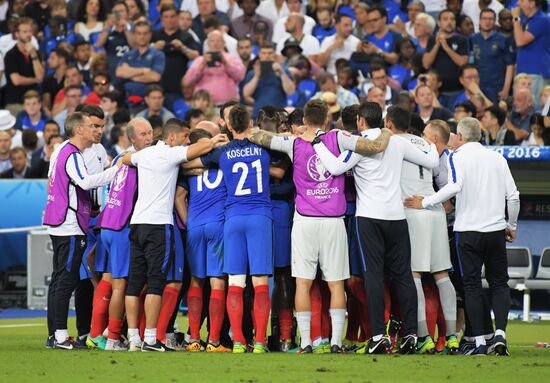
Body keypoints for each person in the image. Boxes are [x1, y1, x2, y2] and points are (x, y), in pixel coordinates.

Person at [248, 100, 392, 352]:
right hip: (333, 222)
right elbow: (375, 146)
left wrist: (284, 133)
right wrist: (388, 130)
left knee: (303, 284)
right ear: (326, 119)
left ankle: (305, 342)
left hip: (304, 222)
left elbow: (258, 137)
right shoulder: (338, 138)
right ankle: (335, 342)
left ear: (304, 121)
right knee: (336, 284)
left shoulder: (293, 142)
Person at [309, 104, 440, 354]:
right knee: (402, 276)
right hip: (397, 218)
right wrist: (432, 144)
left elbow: (335, 168)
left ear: (360, 121)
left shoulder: (358, 143)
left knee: (373, 277)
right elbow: (432, 161)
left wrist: (317, 144)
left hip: (369, 218)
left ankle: (379, 335)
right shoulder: (397, 142)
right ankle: (411, 334)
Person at [405, 117, 520, 356]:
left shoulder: (458, 157)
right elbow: (514, 197)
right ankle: (500, 335)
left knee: (471, 285)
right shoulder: (498, 157)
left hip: (468, 232)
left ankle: (478, 342)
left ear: (460, 136)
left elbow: (455, 186)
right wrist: (511, 225)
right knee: (499, 283)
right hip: (496, 231)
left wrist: (425, 202)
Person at [120, 116, 226, 352]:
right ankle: (151, 339)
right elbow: (202, 147)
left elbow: (126, 159)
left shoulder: (144, 155)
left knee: (135, 283)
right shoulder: (170, 154)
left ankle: (133, 338)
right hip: (159, 226)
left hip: (137, 225)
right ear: (171, 137)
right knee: (157, 283)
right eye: (184, 137)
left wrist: (120, 161)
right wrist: (217, 140)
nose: (186, 141)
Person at [43, 112, 120, 350]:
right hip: (69, 225)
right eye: (90, 126)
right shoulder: (72, 154)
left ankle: (55, 334)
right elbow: (85, 182)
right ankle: (61, 336)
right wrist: (118, 170)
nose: (94, 130)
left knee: (59, 279)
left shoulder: (61, 150)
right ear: (79, 130)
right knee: (67, 279)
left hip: (59, 222)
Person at [98, 117, 153, 351]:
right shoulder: (140, 162)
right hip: (121, 228)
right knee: (121, 286)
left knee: (115, 282)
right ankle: (112, 338)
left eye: (150, 132)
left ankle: (109, 334)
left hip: (108, 225)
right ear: (131, 138)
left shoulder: (120, 159)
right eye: (143, 134)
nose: (149, 138)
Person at [181, 128, 230, 352]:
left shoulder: (187, 166)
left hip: (195, 226)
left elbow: (179, 196)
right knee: (217, 282)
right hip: (218, 226)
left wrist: (189, 221)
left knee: (195, 281)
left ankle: (193, 338)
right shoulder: (225, 163)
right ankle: (214, 341)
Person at [152, 4, 200, 108]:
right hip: (157, 87)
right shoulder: (154, 35)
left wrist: (183, 48)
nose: (169, 20)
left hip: (178, 87)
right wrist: (153, 48)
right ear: (161, 18)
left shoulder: (185, 36)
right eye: (166, 17)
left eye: (172, 16)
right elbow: (142, 52)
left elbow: (196, 55)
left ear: (177, 17)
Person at [184, 30, 246, 106]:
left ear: (223, 43)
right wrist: (202, 65)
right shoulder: (199, 60)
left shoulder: (232, 59)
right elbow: (188, 80)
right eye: (212, 41)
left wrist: (226, 63)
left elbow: (240, 77)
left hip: (227, 106)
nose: (215, 43)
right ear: (208, 44)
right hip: (203, 106)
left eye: (218, 41)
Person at [116, 20, 165, 108]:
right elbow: (119, 72)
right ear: (134, 35)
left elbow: (155, 77)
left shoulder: (158, 54)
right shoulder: (128, 55)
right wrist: (143, 71)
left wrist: (129, 75)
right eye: (139, 33)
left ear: (150, 35)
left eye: (145, 33)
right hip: (127, 99)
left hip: (147, 101)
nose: (142, 37)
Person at [512, 0, 550, 110]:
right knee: (521, 109)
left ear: (532, 3)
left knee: (535, 109)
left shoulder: (542, 20)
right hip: (523, 72)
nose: (518, 4)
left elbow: (520, 41)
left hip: (536, 73)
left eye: (522, 0)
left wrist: (516, 18)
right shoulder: (527, 20)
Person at [470, 9, 515, 101]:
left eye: (491, 19)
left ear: (495, 21)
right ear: (479, 20)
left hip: (497, 86)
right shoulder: (472, 39)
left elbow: (510, 65)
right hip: (478, 85)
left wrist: (506, 88)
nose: (487, 22)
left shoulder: (503, 39)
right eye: (484, 18)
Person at [422, 9, 468, 97]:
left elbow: (463, 63)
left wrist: (446, 47)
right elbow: (426, 64)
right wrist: (437, 45)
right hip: (437, 90)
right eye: (445, 19)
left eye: (452, 19)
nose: (449, 22)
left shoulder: (462, 39)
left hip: (457, 89)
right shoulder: (432, 39)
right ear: (439, 23)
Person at [243, 42, 295, 118]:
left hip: (279, 115)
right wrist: (257, 76)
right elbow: (246, 94)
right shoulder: (253, 72)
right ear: (259, 54)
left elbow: (290, 92)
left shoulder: (283, 70)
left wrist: (281, 73)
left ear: (274, 54)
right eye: (264, 53)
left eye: (270, 53)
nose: (267, 56)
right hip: (259, 115)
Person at [4, 17, 44, 108]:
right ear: (17, 34)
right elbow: (16, 80)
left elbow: (40, 76)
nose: (28, 34)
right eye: (25, 32)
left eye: (30, 31)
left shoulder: (35, 52)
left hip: (34, 101)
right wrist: (35, 80)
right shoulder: (10, 55)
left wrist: (33, 55)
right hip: (16, 102)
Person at [95, 0, 134, 84]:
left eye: (121, 11)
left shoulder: (133, 29)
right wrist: (107, 27)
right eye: (116, 12)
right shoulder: (108, 31)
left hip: (130, 69)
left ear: (128, 14)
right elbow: (98, 44)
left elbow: (135, 45)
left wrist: (126, 29)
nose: (118, 14)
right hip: (112, 71)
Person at [42, 48, 71, 115]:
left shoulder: (71, 77)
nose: (48, 61)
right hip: (52, 113)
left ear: (62, 60)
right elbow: (46, 104)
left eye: (52, 58)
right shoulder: (48, 79)